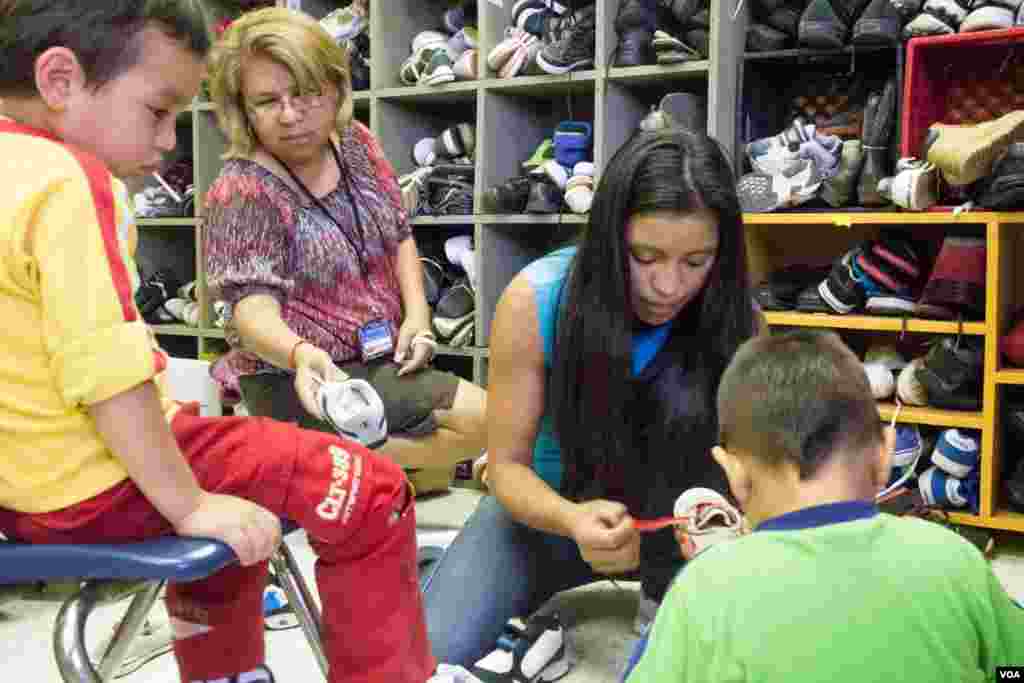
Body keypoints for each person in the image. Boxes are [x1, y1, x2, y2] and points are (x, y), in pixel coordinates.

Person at [0, 3, 434, 682]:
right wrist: (189, 503)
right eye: (157, 110)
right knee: (373, 489)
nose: (172, 139)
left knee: (240, 485)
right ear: (59, 80)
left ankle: (225, 673)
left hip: (24, 496)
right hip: (100, 482)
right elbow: (108, 377)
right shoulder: (69, 183)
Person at [422, 128, 762, 666]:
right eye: (645, 256)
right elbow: (506, 469)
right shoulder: (537, 298)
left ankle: (668, 589)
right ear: (609, 237)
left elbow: (753, 463)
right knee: (429, 657)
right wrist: (571, 520)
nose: (668, 286)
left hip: (679, 534)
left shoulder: (734, 314)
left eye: (695, 262)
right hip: (548, 522)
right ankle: (441, 566)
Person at [625, 330, 1024, 682]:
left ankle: (730, 550)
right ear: (885, 455)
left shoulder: (702, 591)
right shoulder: (955, 560)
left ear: (733, 475)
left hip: (721, 582)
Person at [202, 8, 487, 484]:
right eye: (268, 102)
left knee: (468, 438)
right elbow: (251, 314)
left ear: (334, 88)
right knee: (484, 419)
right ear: (243, 111)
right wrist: (299, 354)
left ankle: (322, 459)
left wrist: (417, 317)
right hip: (299, 377)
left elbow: (398, 233)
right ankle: (305, 451)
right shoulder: (244, 191)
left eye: (306, 94)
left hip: (376, 358)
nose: (290, 115)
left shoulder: (354, 143)